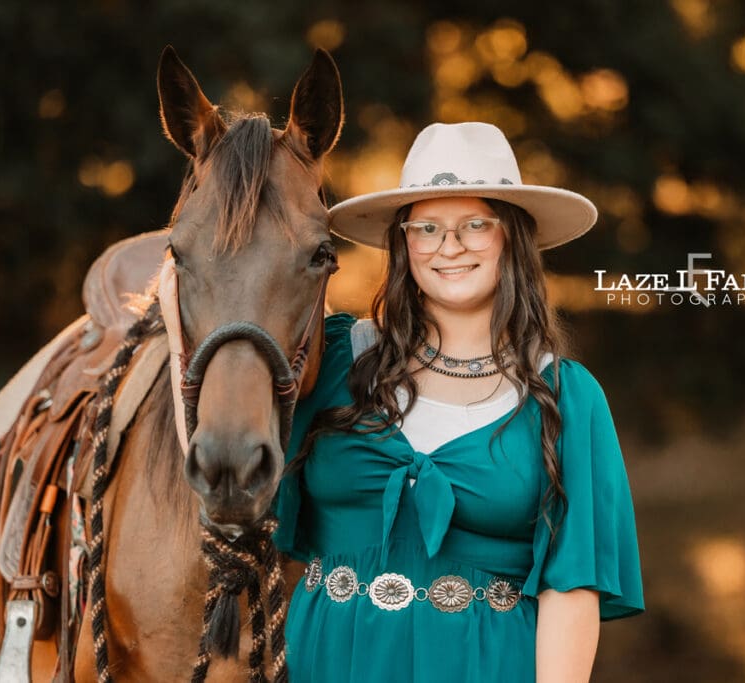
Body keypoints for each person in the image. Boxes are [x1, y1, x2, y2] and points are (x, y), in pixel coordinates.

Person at [273, 122, 644, 682]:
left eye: (475, 225)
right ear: (403, 243)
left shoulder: (566, 398)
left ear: (512, 238)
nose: (450, 246)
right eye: (427, 228)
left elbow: (572, 590)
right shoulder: (333, 363)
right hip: (329, 663)